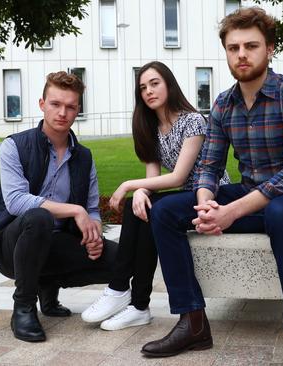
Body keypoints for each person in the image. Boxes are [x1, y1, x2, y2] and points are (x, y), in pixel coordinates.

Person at [140, 7, 283, 365]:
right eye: (233, 47)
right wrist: (206, 204)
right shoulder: (224, 104)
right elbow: (209, 165)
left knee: (280, 212)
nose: (241, 54)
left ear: (269, 49)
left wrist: (229, 214)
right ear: (226, 51)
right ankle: (192, 323)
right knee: (164, 211)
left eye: (251, 46)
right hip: (250, 196)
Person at [80, 61, 230, 331]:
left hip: (210, 195)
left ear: (169, 84)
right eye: (142, 87)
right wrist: (141, 191)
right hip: (183, 198)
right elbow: (153, 179)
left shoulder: (193, 121)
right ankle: (135, 304)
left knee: (146, 207)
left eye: (154, 83)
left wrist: (129, 184)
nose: (148, 91)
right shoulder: (150, 127)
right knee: (139, 207)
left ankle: (124, 294)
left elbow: (178, 177)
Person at [0, 71, 116, 343]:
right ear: (42, 104)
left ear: (78, 110)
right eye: (55, 104)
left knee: (121, 259)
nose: (62, 112)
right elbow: (16, 201)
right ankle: (24, 307)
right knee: (38, 218)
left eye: (70, 106)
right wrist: (75, 210)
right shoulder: (14, 146)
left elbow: (92, 209)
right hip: (13, 245)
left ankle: (48, 285)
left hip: (58, 243)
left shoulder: (84, 157)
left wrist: (94, 233)